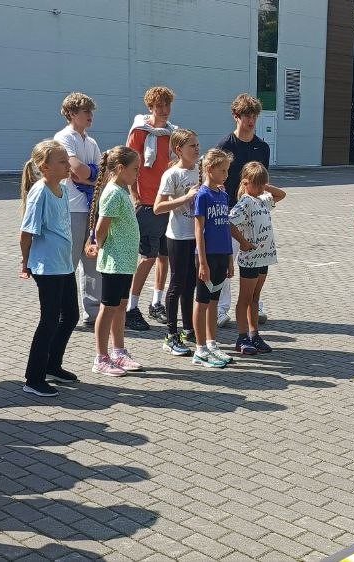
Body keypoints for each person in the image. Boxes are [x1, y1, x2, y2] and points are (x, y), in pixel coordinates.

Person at [19, 140, 80, 397]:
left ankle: (53, 366)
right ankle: (33, 378)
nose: (68, 165)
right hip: (47, 268)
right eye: (62, 161)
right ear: (44, 167)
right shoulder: (40, 192)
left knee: (71, 316)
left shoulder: (63, 189)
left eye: (67, 160)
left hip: (64, 264)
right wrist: (25, 263)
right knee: (49, 320)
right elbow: (26, 233)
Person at [86, 146, 144, 376]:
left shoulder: (121, 190)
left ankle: (118, 351)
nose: (138, 173)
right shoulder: (112, 192)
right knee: (108, 308)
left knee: (120, 306)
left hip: (125, 261)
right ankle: (101, 357)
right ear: (120, 168)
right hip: (114, 261)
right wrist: (96, 244)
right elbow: (102, 227)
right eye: (135, 169)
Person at [215, 93, 272, 328]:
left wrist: (266, 203)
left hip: (255, 214)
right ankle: (221, 308)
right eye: (246, 115)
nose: (251, 120)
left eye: (254, 116)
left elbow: (264, 182)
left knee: (256, 259)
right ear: (235, 116)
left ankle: (255, 303)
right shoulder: (225, 146)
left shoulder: (262, 147)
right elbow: (215, 178)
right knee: (226, 260)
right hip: (230, 212)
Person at [124, 86, 177, 330]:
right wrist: (135, 196)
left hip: (168, 202)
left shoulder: (173, 133)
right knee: (147, 258)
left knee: (165, 257)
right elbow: (130, 165)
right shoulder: (140, 132)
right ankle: (130, 308)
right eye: (159, 106)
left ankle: (156, 303)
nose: (164, 110)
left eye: (167, 105)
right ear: (150, 107)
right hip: (147, 203)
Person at [53, 93, 104, 327]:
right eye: (86, 111)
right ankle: (62, 312)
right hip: (71, 208)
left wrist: (87, 175)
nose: (91, 115)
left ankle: (93, 314)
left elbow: (101, 174)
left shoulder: (91, 142)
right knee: (69, 262)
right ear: (72, 113)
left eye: (91, 111)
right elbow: (76, 170)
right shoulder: (64, 137)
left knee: (92, 261)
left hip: (91, 208)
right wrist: (88, 174)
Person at [228, 162, 286, 355]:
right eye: (257, 185)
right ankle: (242, 337)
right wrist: (243, 243)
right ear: (246, 183)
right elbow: (229, 223)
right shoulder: (245, 203)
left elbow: (281, 194)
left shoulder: (262, 199)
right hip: (251, 258)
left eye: (263, 185)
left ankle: (254, 334)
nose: (262, 189)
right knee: (245, 298)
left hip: (264, 257)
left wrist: (263, 185)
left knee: (255, 298)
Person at [153, 128, 201, 356]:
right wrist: (185, 198)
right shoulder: (172, 174)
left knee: (191, 284)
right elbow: (158, 207)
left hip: (197, 236)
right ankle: (171, 335)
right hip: (178, 236)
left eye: (197, 145)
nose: (197, 149)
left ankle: (188, 328)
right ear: (179, 149)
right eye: (192, 146)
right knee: (177, 283)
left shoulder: (200, 171)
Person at [192, 149, 237, 368]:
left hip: (221, 256)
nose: (226, 175)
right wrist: (202, 262)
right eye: (223, 170)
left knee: (214, 303)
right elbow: (199, 231)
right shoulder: (203, 195)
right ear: (210, 169)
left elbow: (226, 228)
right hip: (207, 257)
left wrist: (229, 258)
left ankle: (211, 343)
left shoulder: (223, 195)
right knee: (201, 303)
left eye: (227, 170)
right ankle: (200, 349)